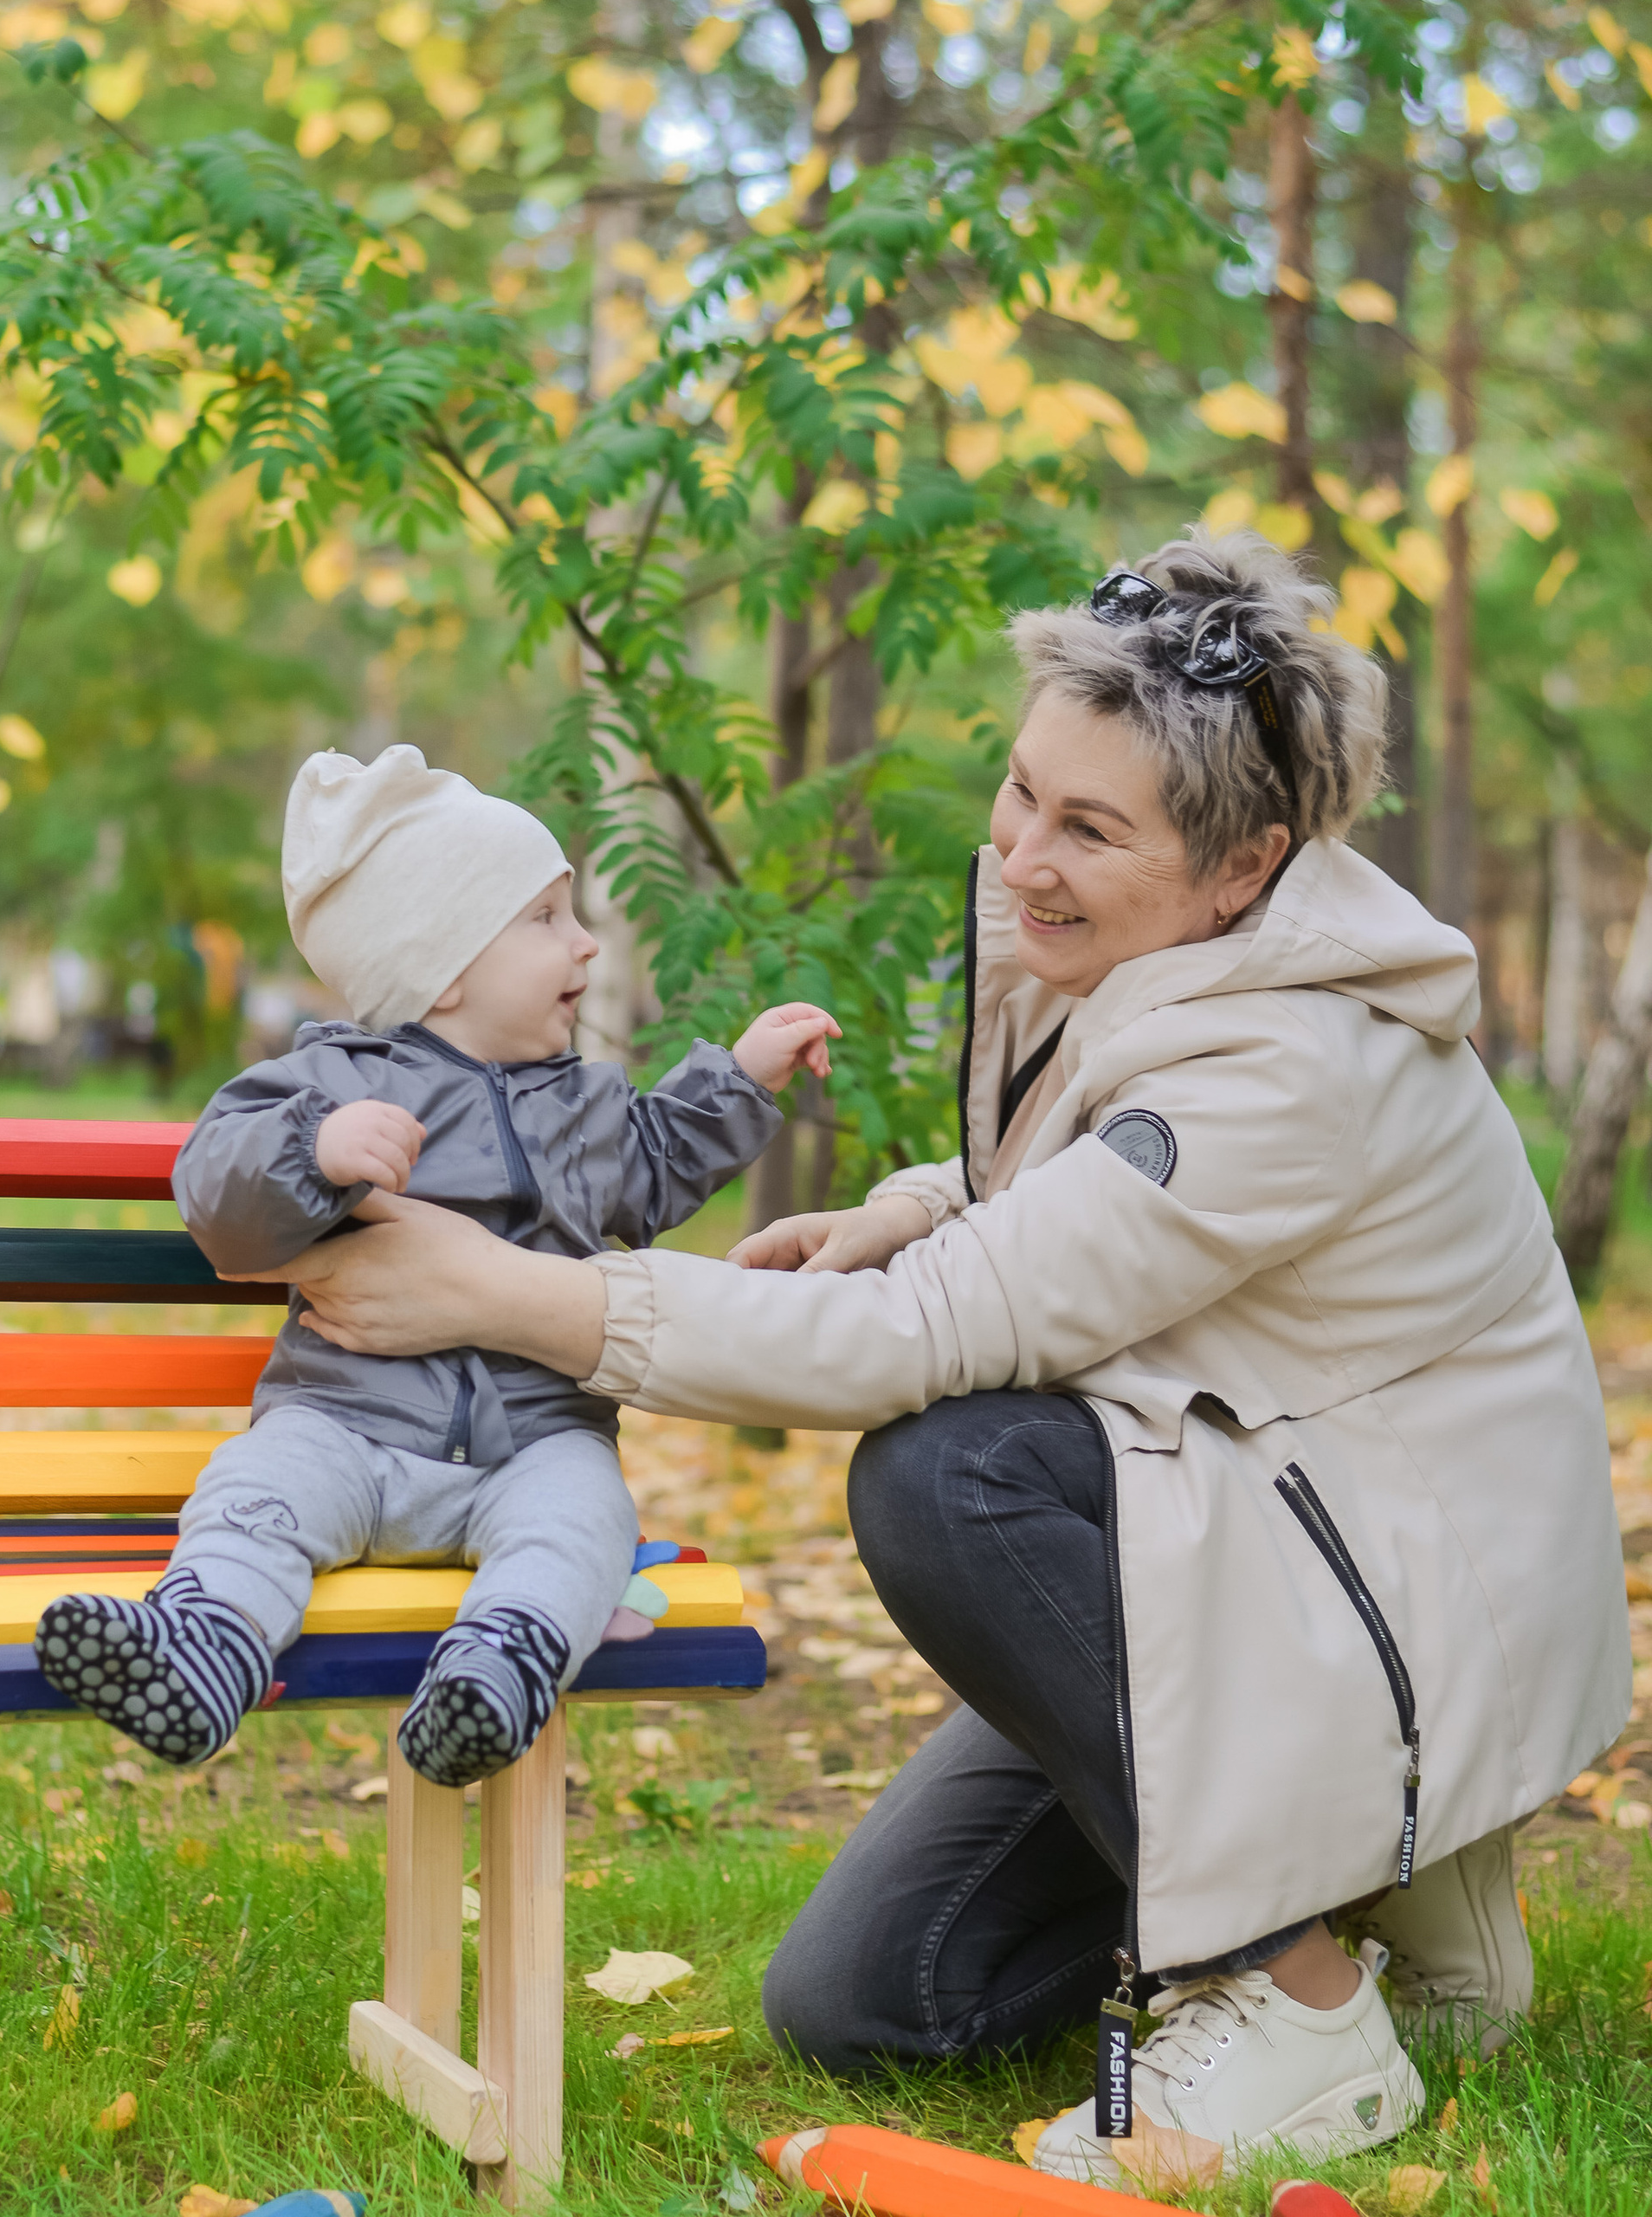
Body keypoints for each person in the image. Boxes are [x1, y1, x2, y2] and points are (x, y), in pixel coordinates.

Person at [236, 534, 1631, 2185]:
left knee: (947, 1473)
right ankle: (1380, 1881)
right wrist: (905, 1208)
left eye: (1090, 828)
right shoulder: (1165, 947)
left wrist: (504, 1291)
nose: (1024, 853)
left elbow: (924, 1339)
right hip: (1263, 1509)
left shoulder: (1298, 1058)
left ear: (1245, 863)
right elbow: (1089, 1171)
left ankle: (1301, 1998)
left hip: (1385, 1595)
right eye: (1024, 790)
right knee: (872, 2005)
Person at [36, 746, 837, 1790]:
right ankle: (206, 1645)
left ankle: (498, 1666)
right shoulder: (330, 1080)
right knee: (254, 1488)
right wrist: (314, 1149)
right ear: (445, 965)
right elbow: (216, 1195)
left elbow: (653, 1168)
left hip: (531, 1441)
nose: (586, 941)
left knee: (586, 1517)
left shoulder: (587, 1105)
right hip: (345, 1424)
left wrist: (738, 1079)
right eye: (545, 917)